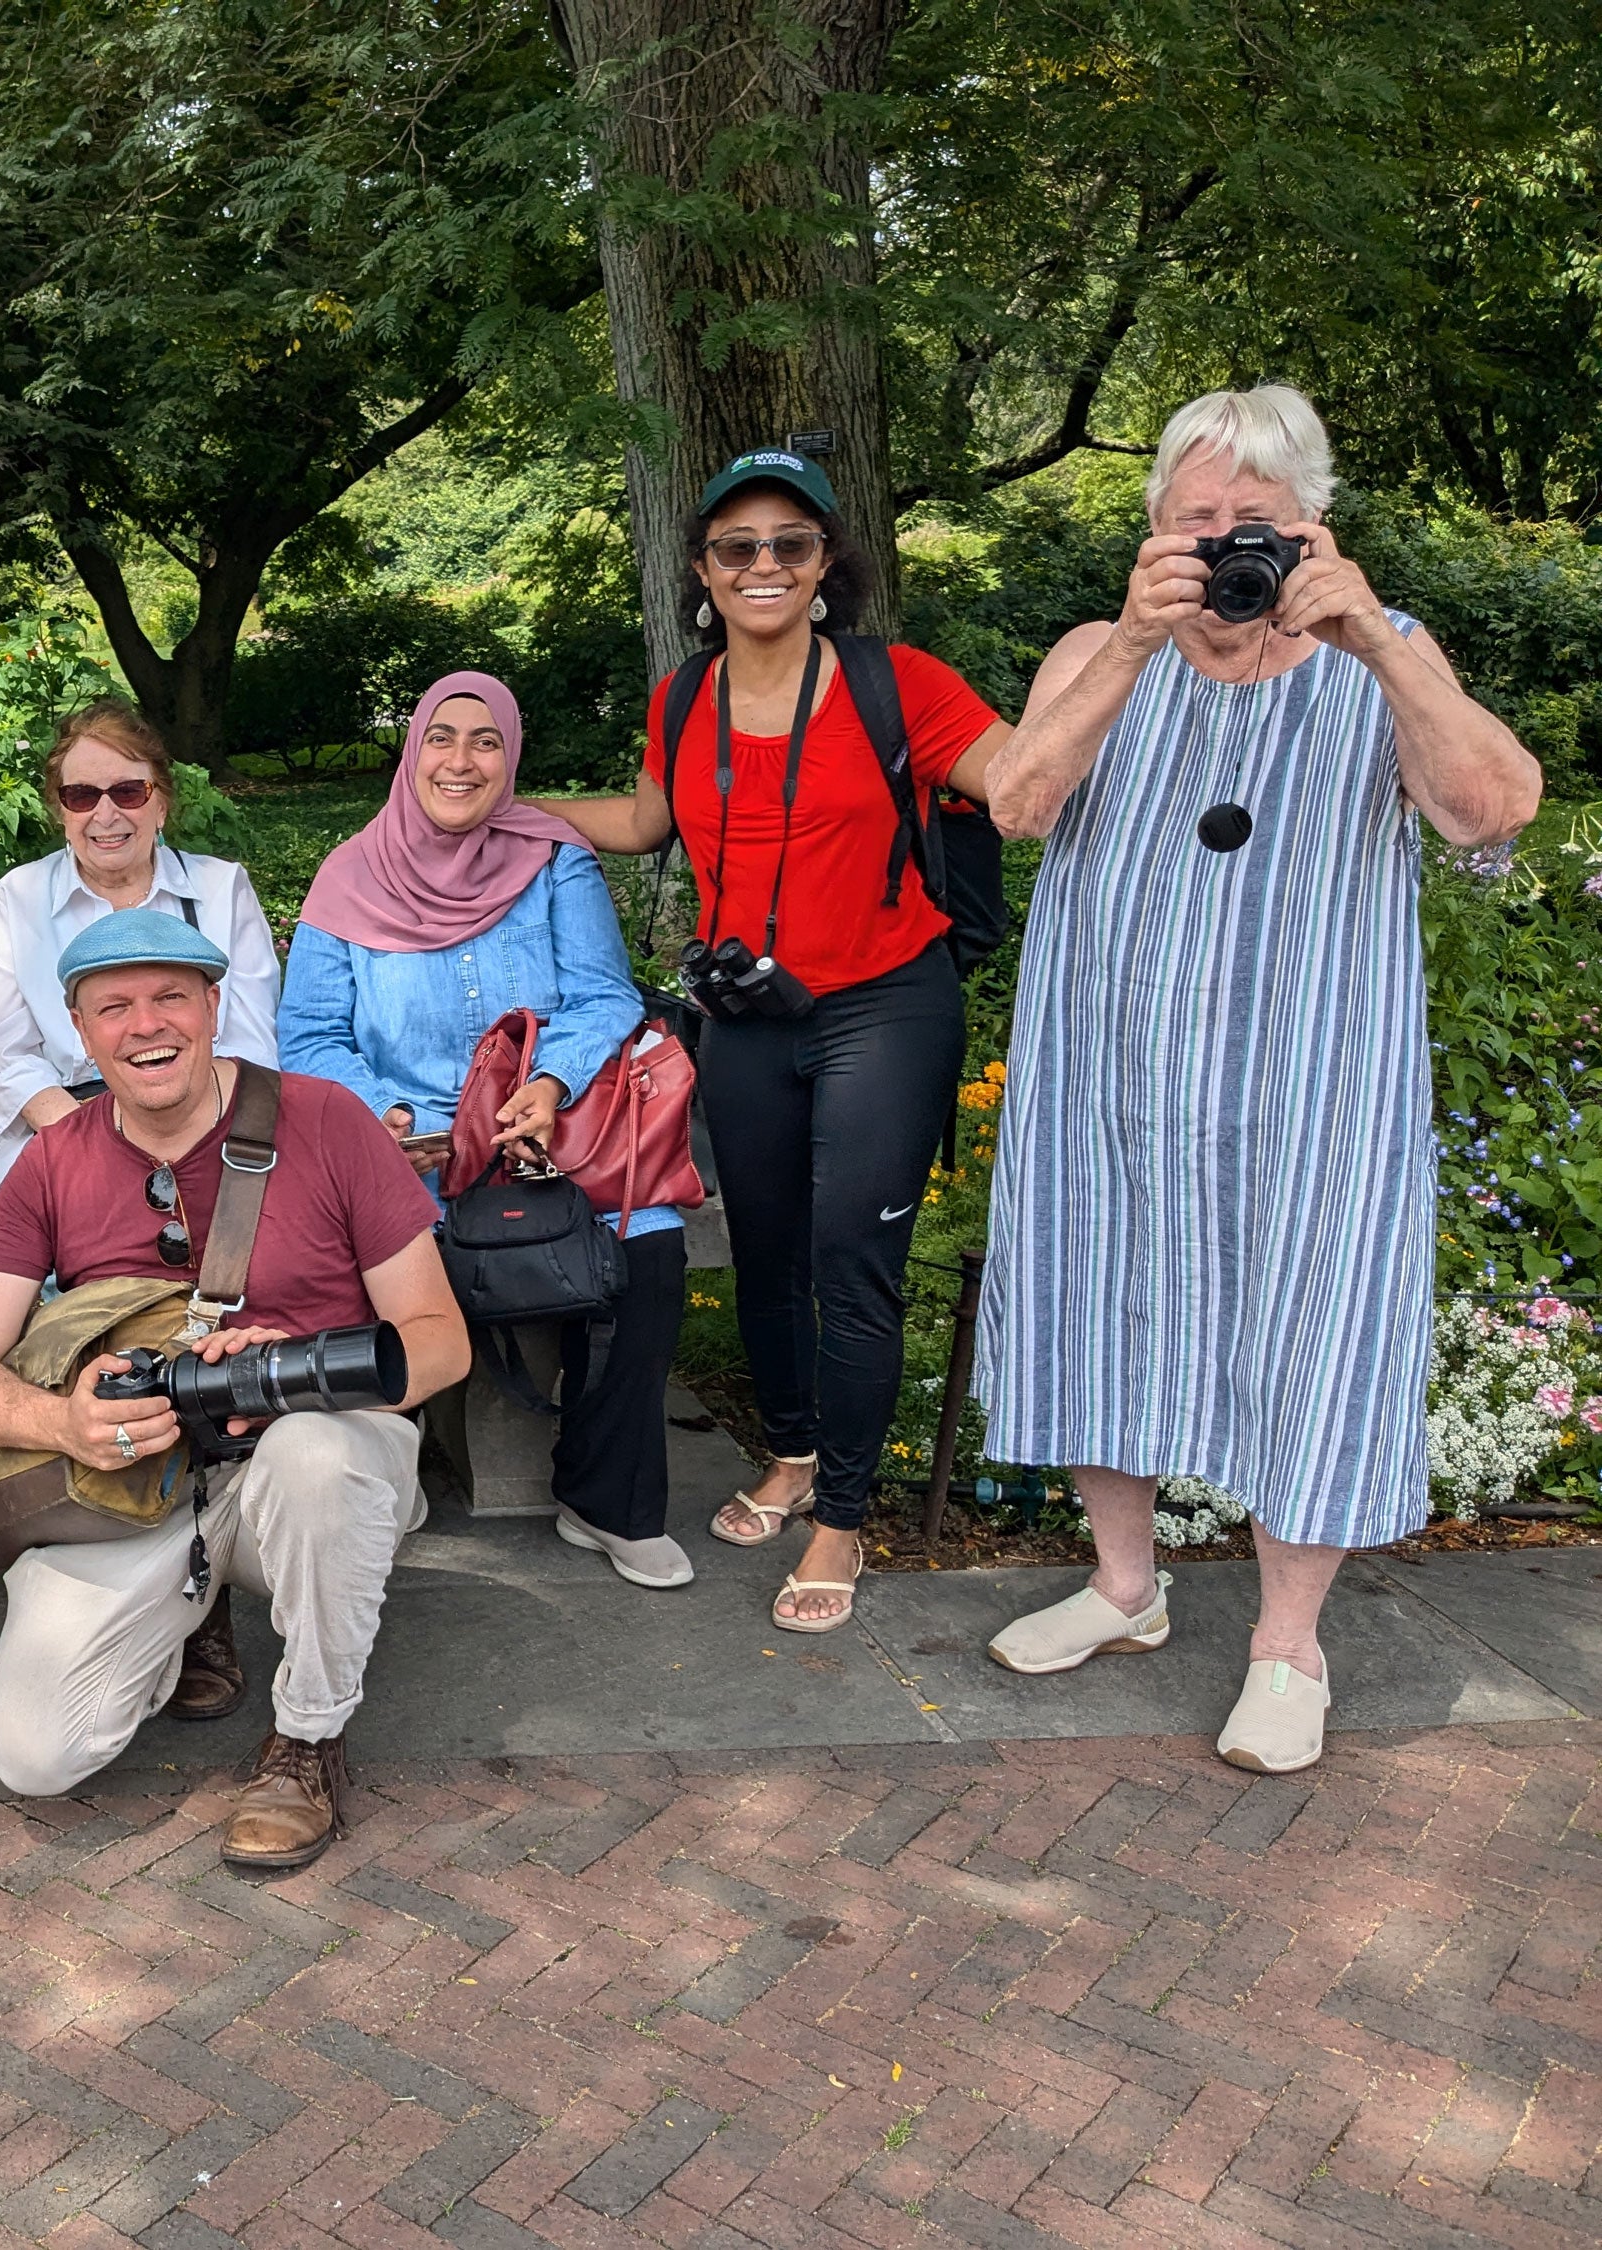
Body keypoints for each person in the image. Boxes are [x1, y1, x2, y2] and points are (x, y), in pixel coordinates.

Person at [974, 385, 1539, 1773]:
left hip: (1314, 1078)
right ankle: (1124, 1587)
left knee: (1316, 1321)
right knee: (1096, 1292)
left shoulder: (1384, 652)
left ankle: (1289, 1642)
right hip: (1109, 1069)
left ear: (1315, 530)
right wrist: (1132, 640)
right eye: (1196, 519)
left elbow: (1491, 809)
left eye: (1258, 524)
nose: (1227, 547)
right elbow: (1019, 803)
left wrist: (1375, 637)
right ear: (1155, 530)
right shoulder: (1100, 650)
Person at [532, 449, 1011, 1633]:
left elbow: (1019, 779)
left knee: (853, 1263)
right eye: (736, 546)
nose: (763, 565)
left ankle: (844, 1520)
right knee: (766, 1248)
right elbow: (649, 819)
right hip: (744, 1012)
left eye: (789, 544)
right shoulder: (683, 695)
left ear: (825, 563)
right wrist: (495, 805)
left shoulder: (898, 682)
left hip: (881, 1007)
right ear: (701, 569)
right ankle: (792, 1455)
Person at [0, 908, 471, 1868]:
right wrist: (65, 1422)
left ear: (215, 1007)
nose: (147, 1025)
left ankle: (307, 1738)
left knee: (312, 1458)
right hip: (136, 1480)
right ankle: (188, 1609)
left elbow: (438, 1341)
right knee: (37, 1756)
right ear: (81, 1031)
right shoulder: (52, 1161)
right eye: (115, 1008)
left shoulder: (327, 1119)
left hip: (312, 1461)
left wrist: (299, 1373)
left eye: (172, 997)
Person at [280, 671, 690, 1586]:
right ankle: (380, 1470)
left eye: (487, 742)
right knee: (338, 1253)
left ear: (510, 758)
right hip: (408, 1148)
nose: (461, 761)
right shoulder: (348, 875)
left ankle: (605, 1497)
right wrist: (386, 1118)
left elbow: (603, 995)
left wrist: (548, 1081)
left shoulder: (555, 861)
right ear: (411, 749)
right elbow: (308, 1036)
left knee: (651, 1248)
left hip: (545, 1135)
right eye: (442, 737)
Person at [0, 696, 280, 1192]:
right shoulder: (18, 898)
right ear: (60, 810)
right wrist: (93, 1141)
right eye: (82, 796)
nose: (106, 814)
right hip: (65, 1133)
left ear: (161, 803)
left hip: (207, 1135)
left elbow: (250, 1045)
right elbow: (2, 1053)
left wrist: (177, 1144)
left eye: (129, 792)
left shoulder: (223, 890)